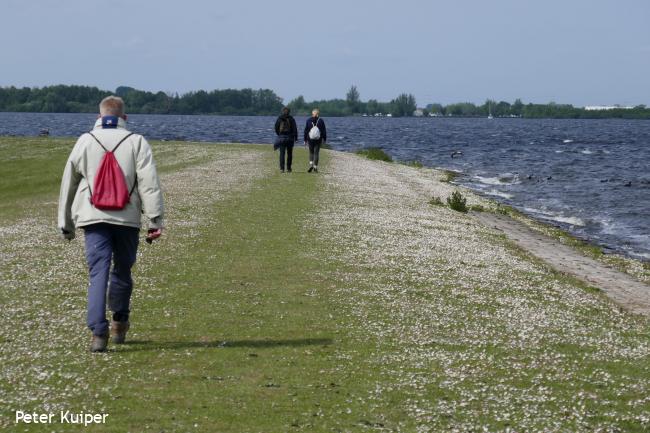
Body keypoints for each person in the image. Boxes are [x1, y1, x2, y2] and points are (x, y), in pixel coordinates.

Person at [58, 96, 164, 352]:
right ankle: (120, 322)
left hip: (93, 217)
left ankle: (98, 331)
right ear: (123, 118)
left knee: (98, 273)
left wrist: (66, 223)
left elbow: (68, 183)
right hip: (127, 218)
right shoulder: (136, 141)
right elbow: (149, 184)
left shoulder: (85, 141)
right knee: (123, 270)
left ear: (99, 116)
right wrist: (154, 220)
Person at [274, 106, 298, 172]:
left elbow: (276, 128)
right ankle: (289, 168)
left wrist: (279, 134)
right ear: (289, 112)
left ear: (282, 111)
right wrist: (295, 138)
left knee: (282, 153)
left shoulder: (279, 118)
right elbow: (295, 129)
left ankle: (282, 168)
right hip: (290, 138)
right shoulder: (291, 119)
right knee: (289, 154)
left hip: (281, 138)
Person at [304, 108, 327, 173]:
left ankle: (311, 164)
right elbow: (324, 131)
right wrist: (324, 139)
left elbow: (306, 131)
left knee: (311, 152)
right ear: (318, 114)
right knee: (316, 153)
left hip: (310, 139)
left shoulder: (308, 120)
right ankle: (315, 167)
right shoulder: (321, 120)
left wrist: (305, 139)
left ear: (312, 113)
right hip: (318, 139)